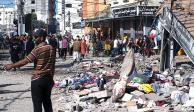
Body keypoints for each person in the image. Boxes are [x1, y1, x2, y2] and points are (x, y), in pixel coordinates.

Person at [4, 29, 56, 112]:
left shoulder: (38, 49)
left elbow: (26, 60)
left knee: (37, 105)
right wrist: (51, 78)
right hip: (48, 79)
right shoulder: (51, 48)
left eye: (36, 37)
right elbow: (53, 65)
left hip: (38, 79)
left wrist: (12, 65)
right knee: (48, 104)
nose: (34, 39)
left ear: (42, 38)